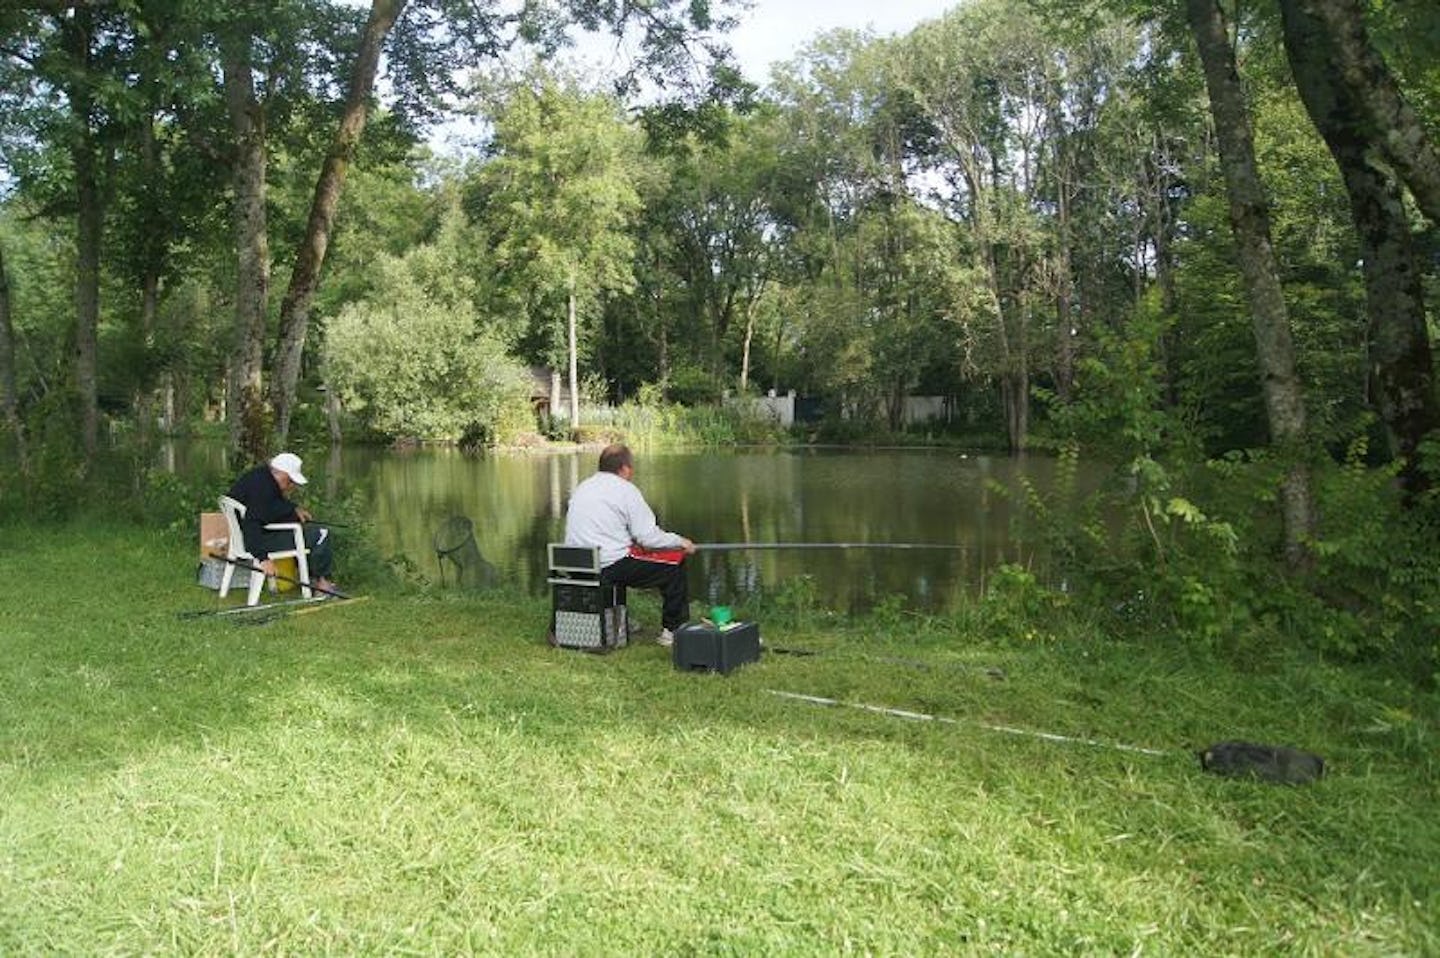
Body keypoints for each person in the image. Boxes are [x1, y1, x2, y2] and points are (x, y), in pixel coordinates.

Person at [564, 443, 696, 646]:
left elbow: (606, 529)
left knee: (624, 554)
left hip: (575, 566)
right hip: (607, 566)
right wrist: (681, 542)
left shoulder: (583, 487)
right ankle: (673, 630)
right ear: (625, 468)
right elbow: (648, 537)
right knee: (674, 566)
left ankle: (619, 619)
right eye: (631, 467)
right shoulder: (626, 490)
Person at [226, 452, 337, 594]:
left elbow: (272, 506)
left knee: (305, 530)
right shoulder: (264, 489)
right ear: (279, 473)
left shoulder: (260, 476)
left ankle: (313, 578)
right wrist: (263, 559)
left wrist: (293, 509)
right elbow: (252, 523)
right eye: (289, 481)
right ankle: (322, 583)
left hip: (245, 537)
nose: (291, 486)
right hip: (257, 541)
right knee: (321, 533)